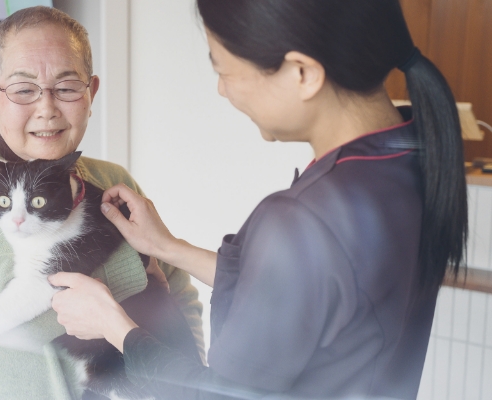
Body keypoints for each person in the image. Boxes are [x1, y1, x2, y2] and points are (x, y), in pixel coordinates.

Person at [49, 0, 468, 399]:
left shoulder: (303, 217)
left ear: (303, 72)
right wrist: (168, 248)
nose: (222, 90)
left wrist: (113, 324)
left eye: (225, 70)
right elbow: (314, 293)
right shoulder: (411, 155)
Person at [0, 7, 204, 400]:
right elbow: (26, 318)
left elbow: (178, 294)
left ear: (91, 94)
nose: (47, 108)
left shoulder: (114, 180)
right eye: (23, 89)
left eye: (67, 87)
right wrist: (139, 266)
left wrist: (190, 382)